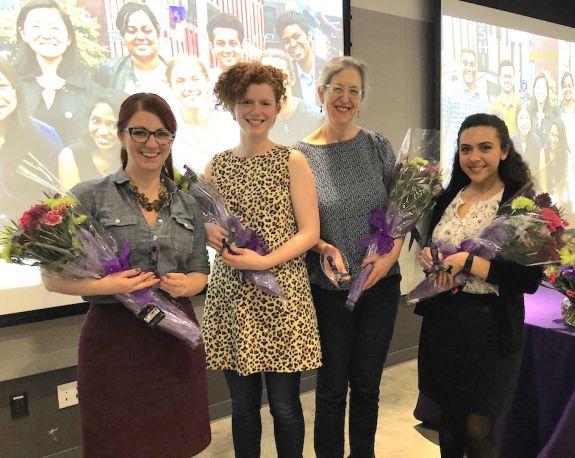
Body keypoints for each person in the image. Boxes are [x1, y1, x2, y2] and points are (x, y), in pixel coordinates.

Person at [42, 93, 211, 457]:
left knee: (176, 443)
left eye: (162, 134)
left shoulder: (188, 203)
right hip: (113, 344)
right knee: (117, 443)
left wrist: (186, 284)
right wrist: (108, 286)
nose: (152, 144)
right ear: (121, 136)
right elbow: (51, 278)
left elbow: (201, 272)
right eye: (140, 132)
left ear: (171, 140)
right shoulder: (90, 196)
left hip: (175, 339)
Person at [202, 61, 321, 457]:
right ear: (231, 105)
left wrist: (263, 262)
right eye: (246, 101)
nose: (256, 110)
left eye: (265, 102)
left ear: (277, 106)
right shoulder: (216, 165)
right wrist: (208, 232)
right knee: (242, 407)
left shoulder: (292, 160)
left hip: (282, 295)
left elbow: (309, 232)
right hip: (232, 297)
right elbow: (204, 223)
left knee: (285, 406)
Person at [416, 113, 542, 458]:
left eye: (485, 147)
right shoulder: (450, 195)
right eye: (466, 149)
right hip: (444, 323)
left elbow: (529, 279)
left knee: (477, 427)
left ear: (504, 151)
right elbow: (433, 242)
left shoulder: (522, 204)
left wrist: (470, 263)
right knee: (449, 421)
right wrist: (427, 256)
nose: (474, 157)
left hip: (492, 329)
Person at [295, 56, 403, 458]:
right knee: (331, 389)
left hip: (381, 287)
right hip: (328, 292)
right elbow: (296, 229)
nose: (344, 97)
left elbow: (402, 211)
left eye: (353, 90)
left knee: (367, 386)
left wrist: (387, 260)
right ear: (320, 92)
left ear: (361, 99)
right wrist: (321, 248)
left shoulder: (377, 146)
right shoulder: (298, 157)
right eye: (336, 88)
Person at [14, 0, 99, 145]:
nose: (46, 35)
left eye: (54, 28)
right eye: (36, 26)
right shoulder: (11, 87)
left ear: (69, 38)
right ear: (24, 34)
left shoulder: (91, 91)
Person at [0, 58, 62, 226]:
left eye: (2, 87)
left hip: (31, 238)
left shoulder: (44, 135)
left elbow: (57, 200)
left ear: (15, 90)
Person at [166, 55, 238, 174]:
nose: (189, 87)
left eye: (195, 79)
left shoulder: (232, 124)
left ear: (207, 82)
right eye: (180, 81)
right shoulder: (164, 131)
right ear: (170, 87)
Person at [94, 2, 171, 99]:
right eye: (131, 31)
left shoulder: (176, 71)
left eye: (146, 30)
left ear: (158, 35)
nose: (140, 37)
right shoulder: (107, 72)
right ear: (123, 38)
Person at [58, 88, 125, 189]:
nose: (102, 132)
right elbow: (69, 203)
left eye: (112, 125)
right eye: (96, 121)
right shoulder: (71, 156)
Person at [261, 47, 322, 145]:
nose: (273, 81)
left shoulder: (315, 118)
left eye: (280, 75)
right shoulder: (256, 119)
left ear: (292, 79)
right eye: (266, 75)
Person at [442, 48, 488, 167]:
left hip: (477, 164)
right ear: (460, 65)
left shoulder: (483, 99)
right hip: (453, 163)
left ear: (476, 67)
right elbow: (442, 134)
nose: (469, 68)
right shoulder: (450, 93)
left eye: (472, 64)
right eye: (465, 63)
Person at [276, 10, 326, 106]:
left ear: (308, 36)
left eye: (296, 36)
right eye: (287, 41)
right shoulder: (286, 77)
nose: (293, 44)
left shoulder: (329, 69)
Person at [206, 12, 245, 87]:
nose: (227, 50)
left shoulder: (254, 80)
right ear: (212, 47)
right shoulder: (207, 82)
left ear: (242, 46)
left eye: (232, 43)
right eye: (221, 44)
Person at [539, 118, 570, 205]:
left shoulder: (566, 153)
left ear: (561, 138)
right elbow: (543, 183)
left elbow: (565, 180)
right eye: (551, 134)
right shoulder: (543, 153)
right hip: (547, 197)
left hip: (562, 196)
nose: (553, 139)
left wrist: (560, 200)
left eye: (556, 136)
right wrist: (549, 202)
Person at [511, 101, 543, 174]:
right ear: (516, 120)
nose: (524, 123)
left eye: (527, 118)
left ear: (531, 120)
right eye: (521, 118)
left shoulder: (537, 142)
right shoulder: (511, 143)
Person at [489, 60, 518, 136]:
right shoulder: (492, 108)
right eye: (505, 76)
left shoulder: (520, 106)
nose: (508, 80)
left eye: (510, 76)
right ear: (499, 79)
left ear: (514, 78)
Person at [528, 73, 556, 142]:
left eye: (543, 88)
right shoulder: (528, 115)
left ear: (547, 92)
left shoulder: (553, 115)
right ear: (534, 91)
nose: (541, 91)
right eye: (539, 87)